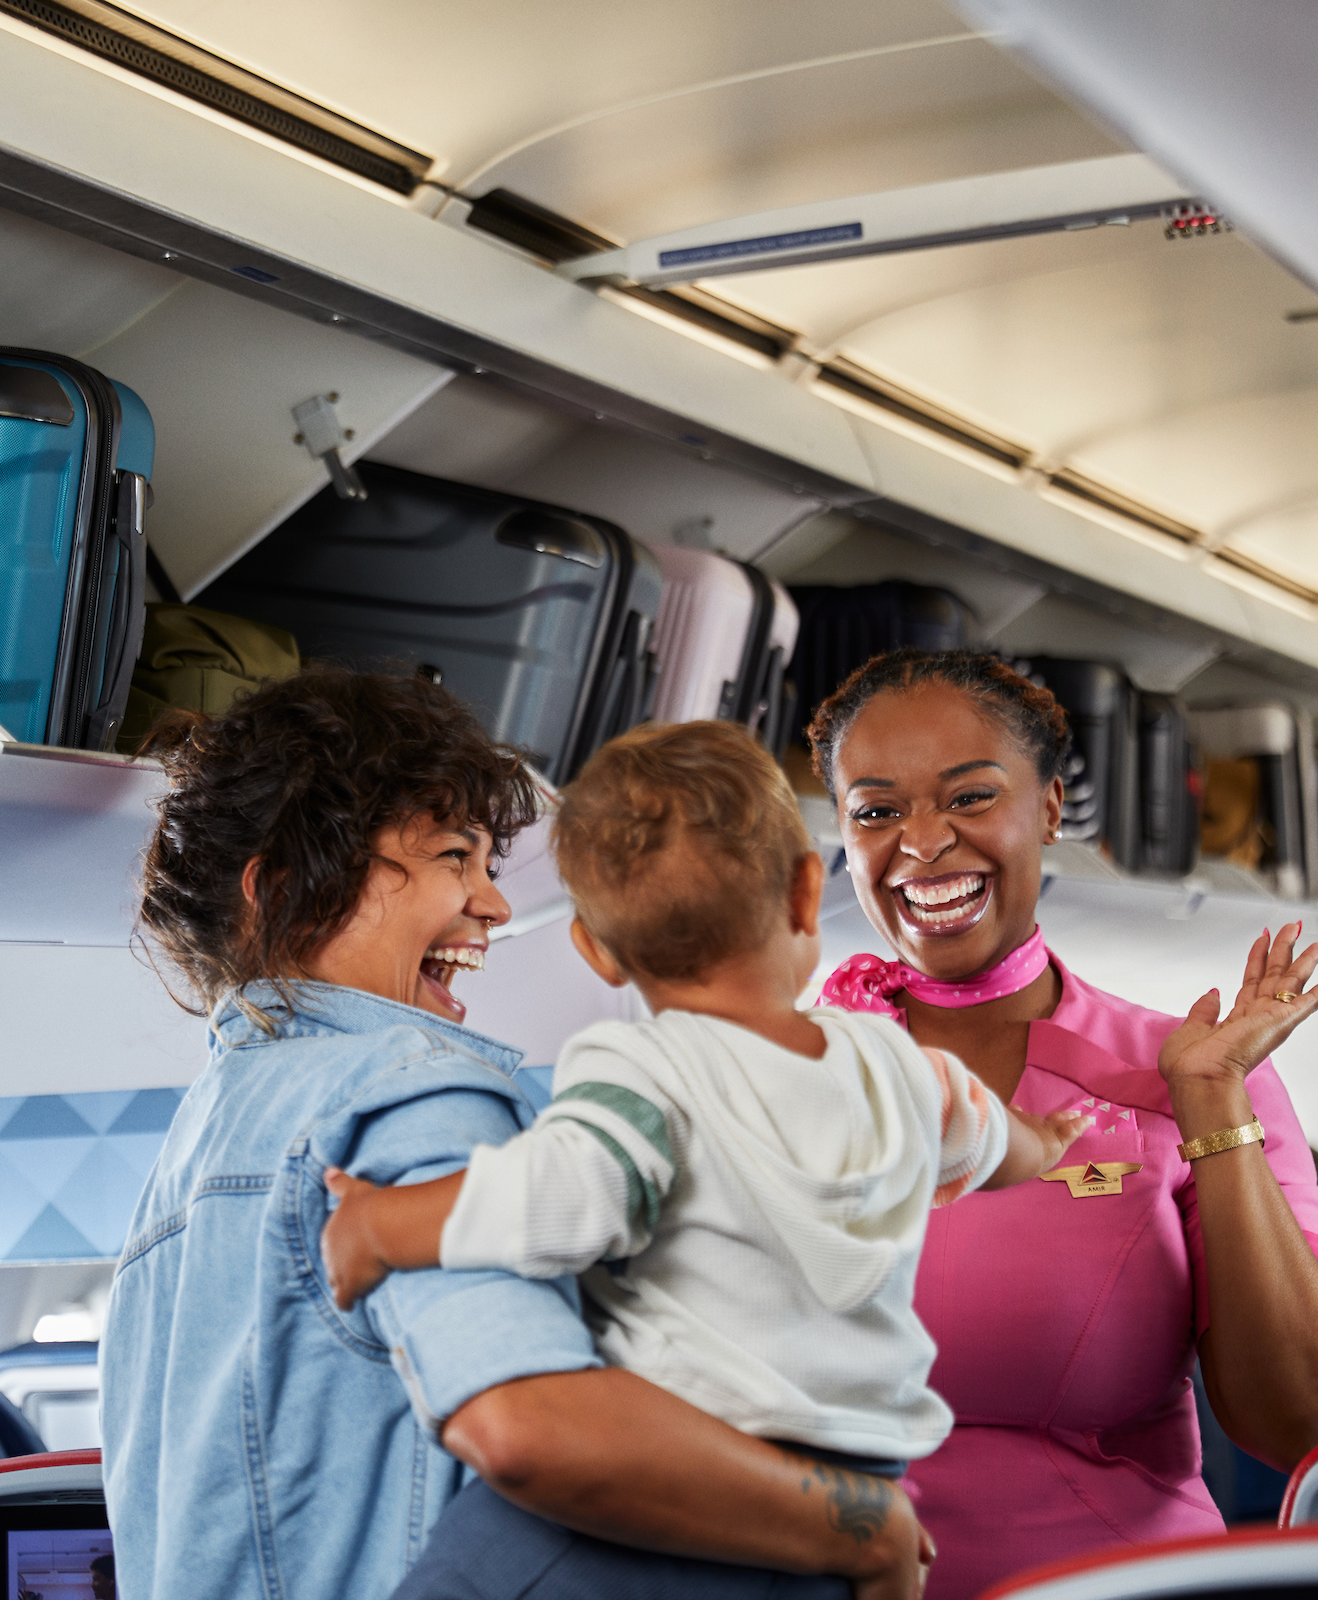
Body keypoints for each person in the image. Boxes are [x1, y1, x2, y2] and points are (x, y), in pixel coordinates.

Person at [102, 667, 927, 1600]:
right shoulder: (407, 1093)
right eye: (455, 857)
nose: (493, 904)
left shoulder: (185, 1159)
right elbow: (530, 1430)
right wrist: (863, 1527)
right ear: (287, 889)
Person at [317, 719, 1097, 1479]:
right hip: (870, 1459)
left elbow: (555, 1198)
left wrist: (378, 1226)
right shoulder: (894, 1062)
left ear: (596, 952)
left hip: (709, 1455)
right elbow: (986, 1137)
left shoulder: (646, 1073)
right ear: (805, 893)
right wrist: (1045, 1139)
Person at [806, 649, 1318, 1599]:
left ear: (1052, 809)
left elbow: (1307, 1420)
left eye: (970, 797)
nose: (923, 841)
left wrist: (1212, 1107)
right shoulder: (786, 1078)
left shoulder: (1187, 1070)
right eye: (876, 812)